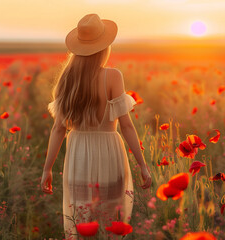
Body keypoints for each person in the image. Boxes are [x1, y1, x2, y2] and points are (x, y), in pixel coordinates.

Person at [40, 13, 152, 240]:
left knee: (82, 216)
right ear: (104, 48)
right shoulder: (112, 76)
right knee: (109, 218)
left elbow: (58, 129)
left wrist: (47, 169)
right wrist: (142, 164)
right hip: (109, 152)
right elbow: (127, 126)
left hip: (78, 153)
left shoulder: (66, 80)